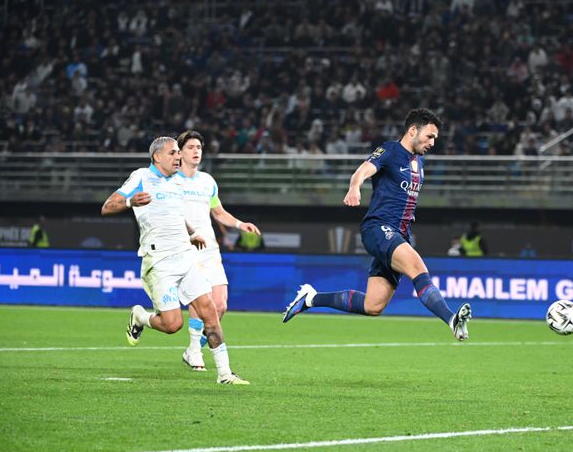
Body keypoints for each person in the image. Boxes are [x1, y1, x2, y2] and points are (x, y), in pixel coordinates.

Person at [282, 108, 472, 341]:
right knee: (418, 269)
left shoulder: (419, 164)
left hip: (399, 236)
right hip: (378, 228)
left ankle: (311, 298)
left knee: (373, 305)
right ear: (413, 130)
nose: (433, 142)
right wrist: (354, 187)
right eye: (430, 136)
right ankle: (452, 319)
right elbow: (363, 170)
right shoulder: (390, 151)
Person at [100, 136, 249, 385]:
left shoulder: (176, 183)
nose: (178, 157)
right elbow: (107, 206)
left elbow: (177, 216)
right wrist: (128, 201)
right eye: (173, 153)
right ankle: (140, 316)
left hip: (186, 257)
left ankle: (225, 374)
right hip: (159, 262)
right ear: (157, 157)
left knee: (210, 311)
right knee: (172, 325)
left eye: (179, 153)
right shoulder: (141, 177)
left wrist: (192, 234)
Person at [175, 130, 261, 372]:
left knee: (220, 304)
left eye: (199, 147)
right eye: (191, 147)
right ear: (180, 152)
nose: (196, 151)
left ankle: (194, 349)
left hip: (209, 249)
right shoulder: (172, 182)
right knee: (200, 299)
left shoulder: (207, 181)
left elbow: (218, 212)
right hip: (186, 248)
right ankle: (194, 350)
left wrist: (239, 224)